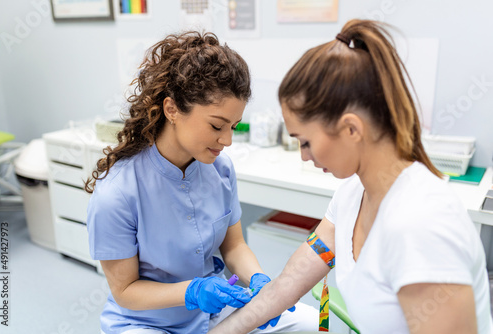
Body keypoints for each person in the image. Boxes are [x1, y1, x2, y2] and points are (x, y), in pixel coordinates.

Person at [208, 19, 493, 334]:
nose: (303, 155)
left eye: (306, 141)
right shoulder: (352, 195)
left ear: (351, 129)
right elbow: (287, 285)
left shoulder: (422, 224)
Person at [84, 31, 318, 334]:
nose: (228, 140)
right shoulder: (117, 193)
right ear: (172, 110)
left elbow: (233, 247)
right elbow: (125, 291)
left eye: (233, 127)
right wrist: (192, 292)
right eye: (216, 126)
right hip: (145, 324)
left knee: (307, 323)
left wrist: (261, 282)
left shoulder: (220, 170)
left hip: (211, 315)